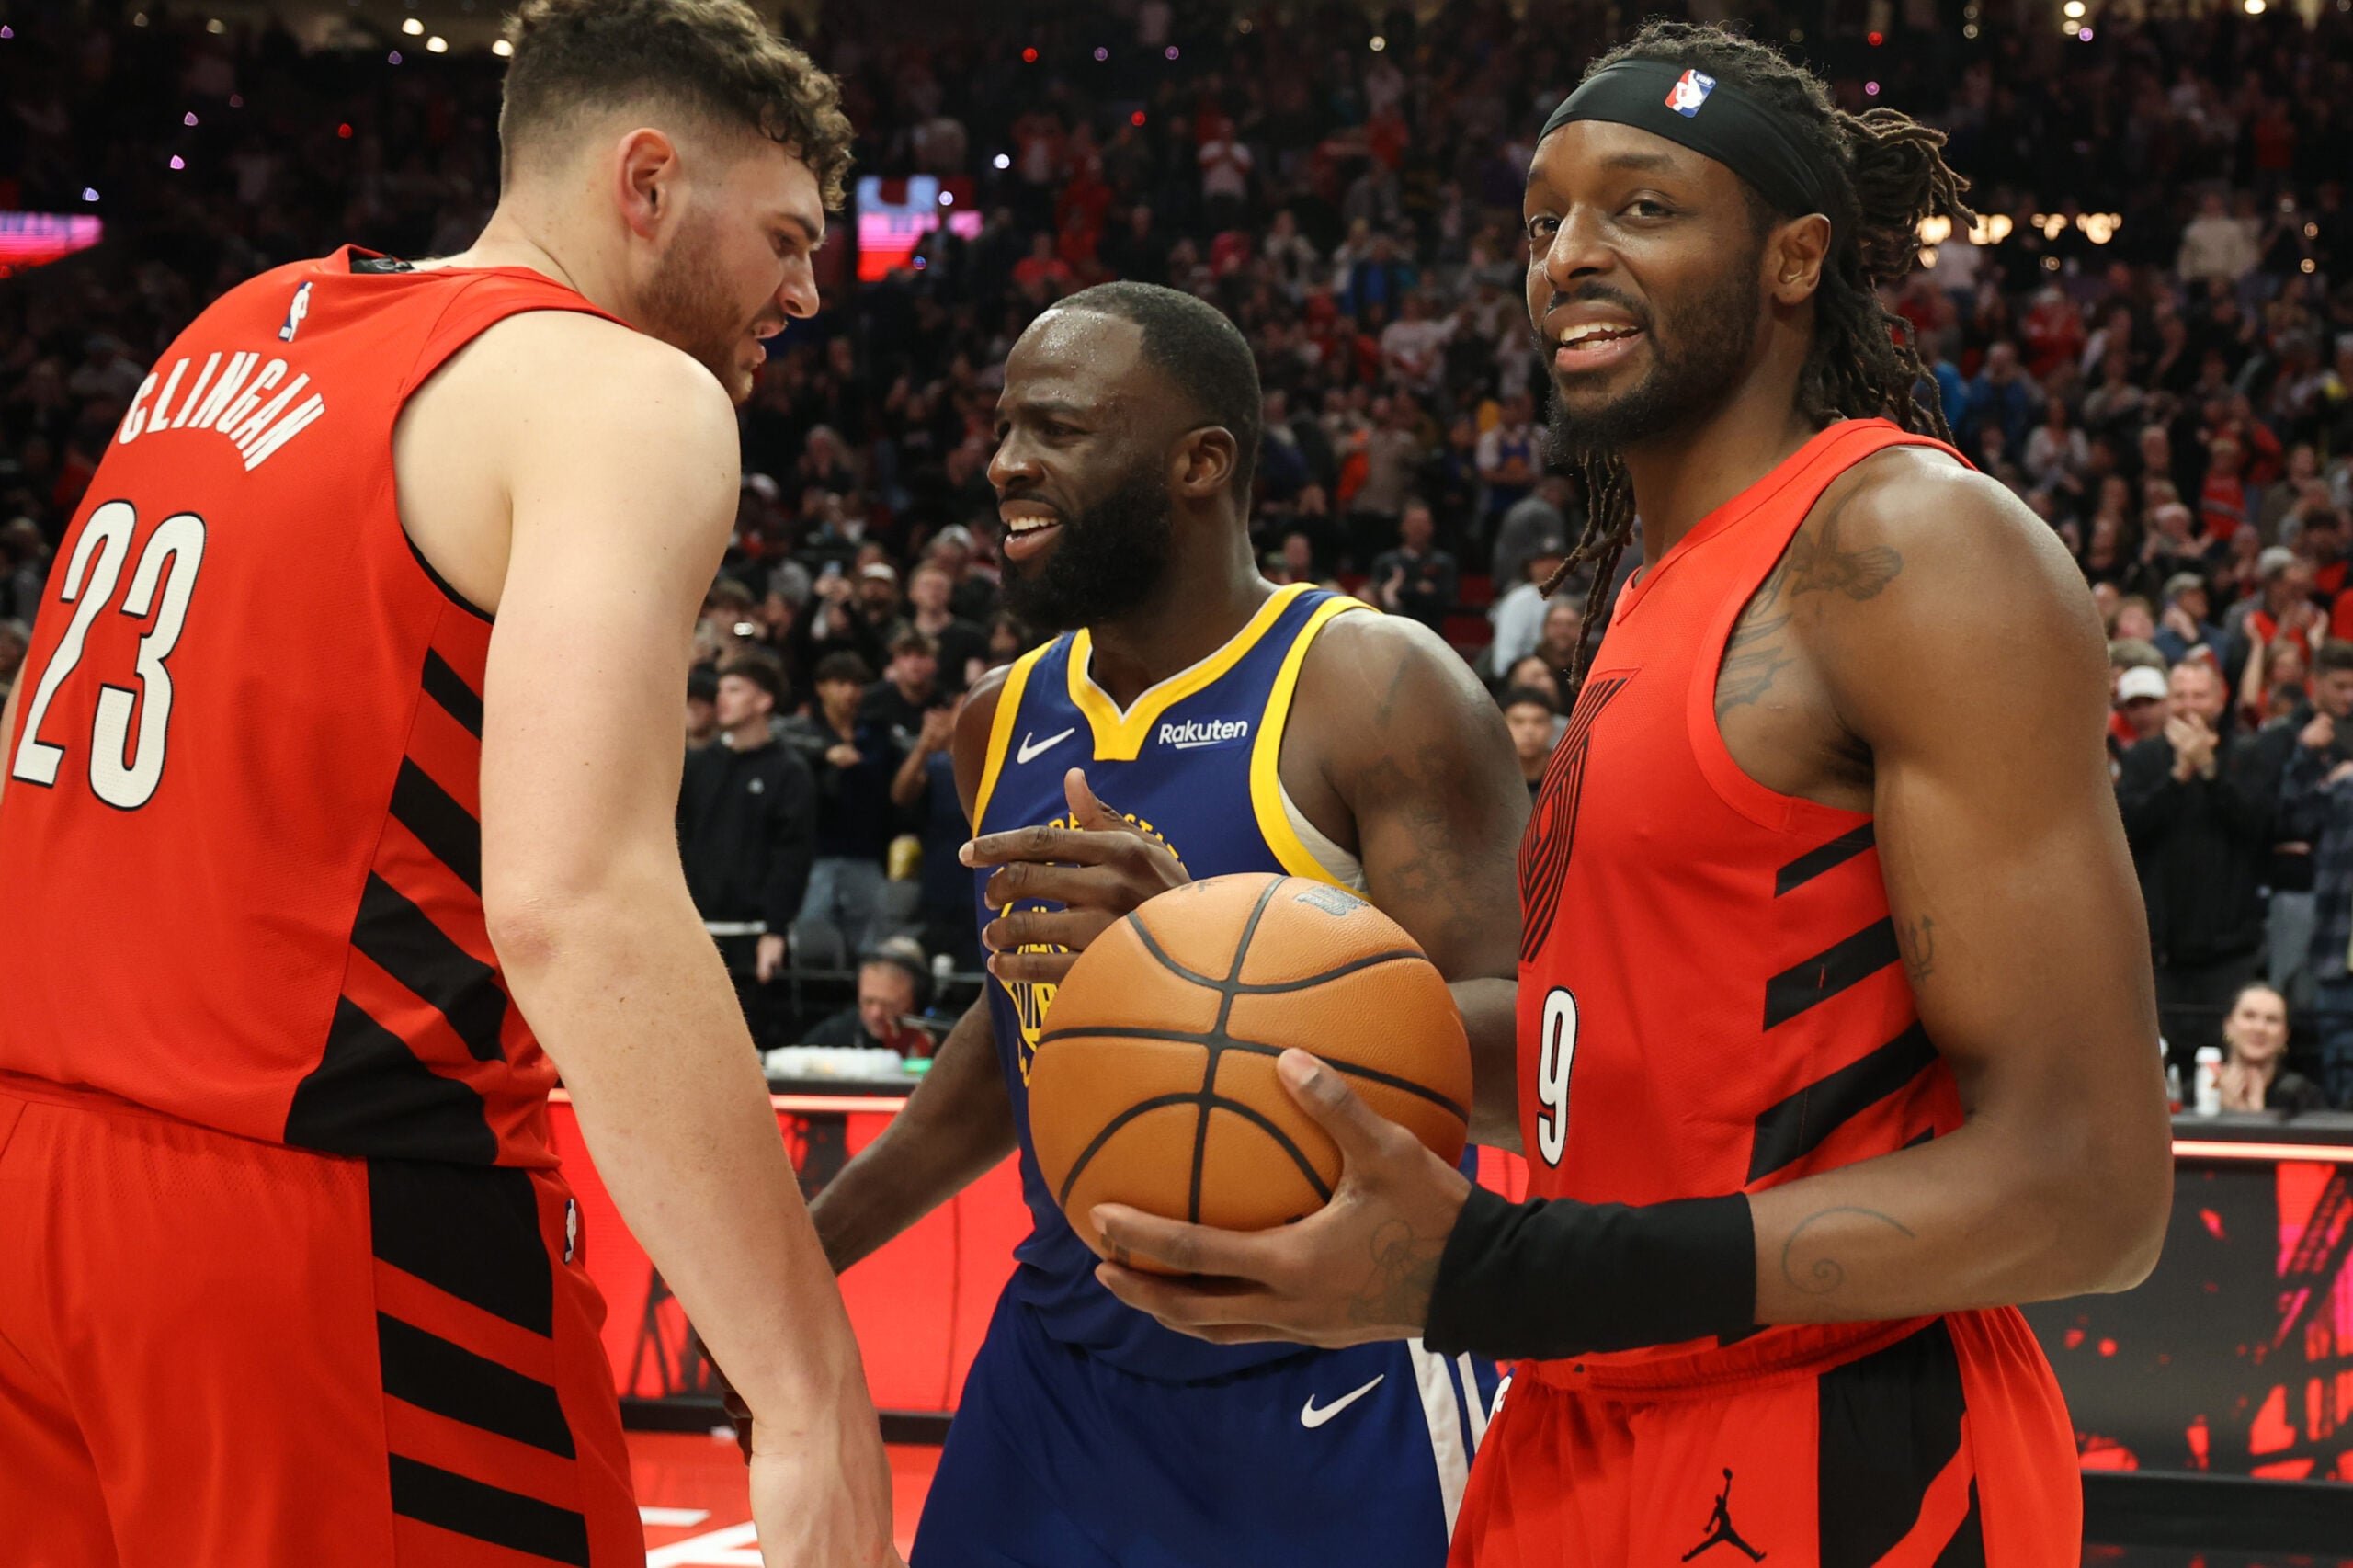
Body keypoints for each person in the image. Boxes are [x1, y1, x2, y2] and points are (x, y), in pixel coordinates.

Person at [1084, 27, 2171, 1567]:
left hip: (1837, 1438)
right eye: (1546, 222)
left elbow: (2091, 1187)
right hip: (1585, 1418)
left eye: (1642, 209)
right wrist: (1225, 981)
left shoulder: (1912, 548)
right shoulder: (1650, 590)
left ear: (1796, 259)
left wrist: (1499, 1270)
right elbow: (1627, 1052)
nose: (1569, 259)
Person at [0, 1, 897, 1563]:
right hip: (316, 1215)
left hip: (32, 1179)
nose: (809, 291)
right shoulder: (623, 394)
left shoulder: (236, 324)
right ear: (646, 184)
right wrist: (810, 1383)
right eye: (788, 237)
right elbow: (573, 903)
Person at [798, 282, 1529, 1565]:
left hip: (1334, 1372)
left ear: (1202, 464)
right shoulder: (998, 717)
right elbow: (1015, 1028)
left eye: (1059, 429)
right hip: (1063, 1374)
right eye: (1004, 424)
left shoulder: (1373, 686)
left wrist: (1201, 958)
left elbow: (1530, 1055)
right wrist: (811, 1255)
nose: (1006, 462)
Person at [2116, 659, 2273, 1076]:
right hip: (2160, 949)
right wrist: (2178, 776)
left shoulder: (2248, 753)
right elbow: (2127, 829)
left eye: (2199, 695)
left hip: (2230, 948)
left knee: (2223, 1065)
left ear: (2220, 700)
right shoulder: (2144, 759)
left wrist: (2209, 770)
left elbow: (2258, 825)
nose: (2189, 706)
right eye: (2181, 696)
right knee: (2154, 1068)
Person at [679, 653, 816, 1055]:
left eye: (735, 689)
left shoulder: (789, 772)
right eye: (721, 689)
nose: (722, 698)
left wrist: (775, 929)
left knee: (748, 1051)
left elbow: (792, 857)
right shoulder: (698, 766)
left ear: (764, 701)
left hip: (753, 936)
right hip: (694, 929)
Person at [781, 651, 901, 971]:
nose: (850, 692)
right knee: (812, 946)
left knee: (872, 949)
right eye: (840, 683)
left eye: (856, 684)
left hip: (866, 852)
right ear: (821, 687)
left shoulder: (875, 733)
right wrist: (825, 753)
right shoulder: (803, 730)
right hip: (816, 854)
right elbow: (777, 738)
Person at [803, 940, 935, 1057]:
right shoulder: (830, 1037)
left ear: (917, 999)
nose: (875, 1013)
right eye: (868, 1001)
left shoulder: (944, 1044)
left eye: (889, 1004)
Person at [2214, 983, 2326, 1115]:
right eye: (2249, 1016)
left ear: (2285, 1036)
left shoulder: (2305, 1097)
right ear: (2228, 1026)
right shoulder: (2198, 1091)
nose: (2259, 1028)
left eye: (2272, 1020)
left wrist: (2255, 1119)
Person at [1368, 499, 1460, 633]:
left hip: (1431, 631)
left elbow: (1447, 598)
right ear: (1402, 526)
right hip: (1391, 631)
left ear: (1432, 527)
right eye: (1413, 523)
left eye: (1423, 523)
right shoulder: (1385, 562)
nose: (1418, 528)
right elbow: (1377, 597)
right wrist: (1417, 589)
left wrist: (1398, 591)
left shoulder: (1444, 563)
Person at [1500, 687, 1558, 799]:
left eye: (1539, 721)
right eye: (1518, 722)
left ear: (1551, 727)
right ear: (1502, 726)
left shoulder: (1568, 773)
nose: (1529, 731)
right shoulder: (1488, 776)